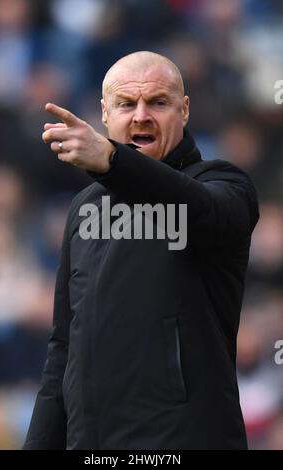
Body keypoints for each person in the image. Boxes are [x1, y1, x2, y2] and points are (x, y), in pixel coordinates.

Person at [23, 51, 259, 450]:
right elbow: (64, 347)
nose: (141, 116)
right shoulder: (85, 208)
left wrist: (114, 162)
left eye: (158, 102)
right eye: (126, 104)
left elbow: (203, 211)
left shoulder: (222, 183)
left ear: (184, 111)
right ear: (104, 114)